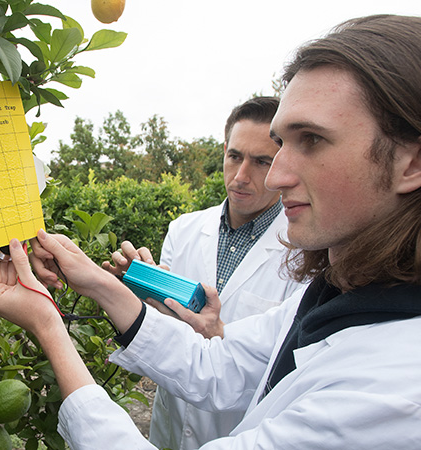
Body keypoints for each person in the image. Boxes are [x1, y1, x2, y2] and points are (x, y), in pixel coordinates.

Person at [0, 14, 421, 449]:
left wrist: (47, 325)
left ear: (418, 160)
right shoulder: (360, 294)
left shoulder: (418, 394)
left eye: (312, 140)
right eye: (279, 141)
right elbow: (217, 365)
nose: (274, 176)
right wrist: (96, 281)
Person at [102, 96, 307, 448]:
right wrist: (141, 289)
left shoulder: (304, 254)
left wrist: (219, 333)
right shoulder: (184, 229)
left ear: (282, 164)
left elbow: (282, 364)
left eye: (261, 162)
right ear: (224, 150)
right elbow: (163, 328)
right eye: (235, 157)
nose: (241, 176)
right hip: (171, 422)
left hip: (240, 431)